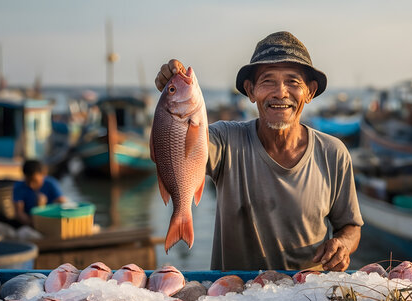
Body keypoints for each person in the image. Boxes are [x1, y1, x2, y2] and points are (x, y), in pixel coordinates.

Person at [155, 31, 363, 271]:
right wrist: (169, 90)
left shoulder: (333, 153)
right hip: (232, 298)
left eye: (293, 82)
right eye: (268, 81)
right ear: (251, 91)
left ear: (310, 91)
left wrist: (342, 245)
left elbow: (351, 227)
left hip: (307, 299)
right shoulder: (225, 140)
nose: (281, 92)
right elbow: (173, 147)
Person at [13, 160, 67, 226]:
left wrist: (44, 208)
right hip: (30, 224)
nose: (31, 185)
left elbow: (63, 203)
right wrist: (34, 222)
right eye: (28, 181)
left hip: (51, 221)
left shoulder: (51, 183)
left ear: (43, 174)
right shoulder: (19, 187)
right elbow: (19, 213)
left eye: (35, 181)